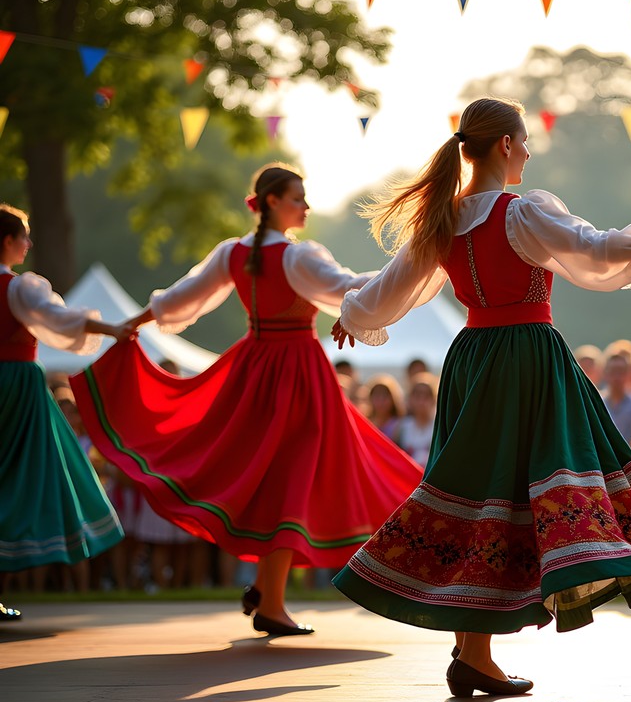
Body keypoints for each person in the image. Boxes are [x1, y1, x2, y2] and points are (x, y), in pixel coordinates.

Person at [330, 97, 631, 696]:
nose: (529, 151)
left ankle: (473, 653)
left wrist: (353, 314)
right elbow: (593, 249)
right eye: (524, 141)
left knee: (481, 491)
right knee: (519, 488)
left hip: (472, 359)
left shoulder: (445, 218)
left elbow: (388, 288)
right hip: (525, 358)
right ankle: (476, 652)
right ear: (505, 146)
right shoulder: (521, 212)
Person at [70, 164, 423, 635]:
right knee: (292, 484)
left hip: (254, 373)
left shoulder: (233, 254)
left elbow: (180, 299)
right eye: (298, 198)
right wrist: (413, 263)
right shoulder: (299, 258)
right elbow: (346, 285)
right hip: (297, 375)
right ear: (273, 201)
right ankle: (271, 602)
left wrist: (133, 322)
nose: (306, 206)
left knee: (274, 481)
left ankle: (266, 591)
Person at [0, 203, 129, 619]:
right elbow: (60, 318)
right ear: (8, 241)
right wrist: (111, 328)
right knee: (23, 478)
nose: (29, 243)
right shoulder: (19, 288)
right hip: (14, 385)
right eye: (24, 236)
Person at [601, 352, 631, 441]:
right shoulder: (595, 403)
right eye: (613, 371)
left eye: (621, 371)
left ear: (629, 374)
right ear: (605, 373)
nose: (617, 376)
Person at [396, 372, 439, 467]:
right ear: (410, 399)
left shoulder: (439, 426)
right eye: (417, 395)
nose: (421, 401)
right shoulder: (402, 426)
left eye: (426, 396)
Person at [365, 374, 406, 441]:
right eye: (377, 395)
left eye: (385, 395)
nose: (381, 400)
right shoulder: (365, 422)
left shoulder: (401, 424)